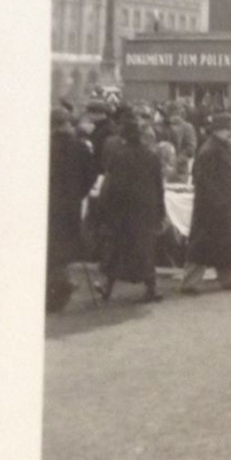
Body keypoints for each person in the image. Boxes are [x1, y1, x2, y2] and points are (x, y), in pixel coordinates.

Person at [94, 115, 166, 303]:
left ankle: (107, 287)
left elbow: (110, 185)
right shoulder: (152, 157)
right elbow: (159, 187)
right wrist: (161, 211)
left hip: (122, 210)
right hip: (146, 210)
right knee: (146, 248)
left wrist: (104, 207)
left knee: (117, 249)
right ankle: (152, 288)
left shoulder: (117, 156)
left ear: (124, 137)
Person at [180, 112, 231, 294]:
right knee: (206, 244)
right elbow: (205, 180)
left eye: (229, 129)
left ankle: (229, 278)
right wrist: (219, 201)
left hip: (217, 202)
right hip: (212, 205)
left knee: (219, 243)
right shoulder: (211, 150)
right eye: (225, 129)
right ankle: (192, 282)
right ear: (216, 130)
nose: (229, 132)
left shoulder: (215, 147)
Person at [47, 108, 95, 313]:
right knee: (66, 243)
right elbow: (91, 174)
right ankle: (62, 283)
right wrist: (79, 193)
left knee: (51, 243)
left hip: (50, 203)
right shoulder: (80, 146)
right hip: (72, 204)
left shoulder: (45, 146)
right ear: (67, 124)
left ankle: (57, 286)